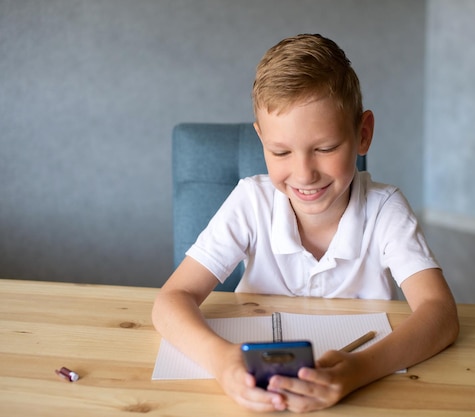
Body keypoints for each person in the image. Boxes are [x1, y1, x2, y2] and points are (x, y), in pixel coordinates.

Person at [152, 33, 459, 413]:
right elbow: (170, 301)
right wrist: (222, 361)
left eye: (325, 149)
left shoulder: (385, 210)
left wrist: (359, 370)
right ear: (261, 139)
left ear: (362, 134)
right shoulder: (251, 201)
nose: (304, 174)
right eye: (280, 152)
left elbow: (440, 314)